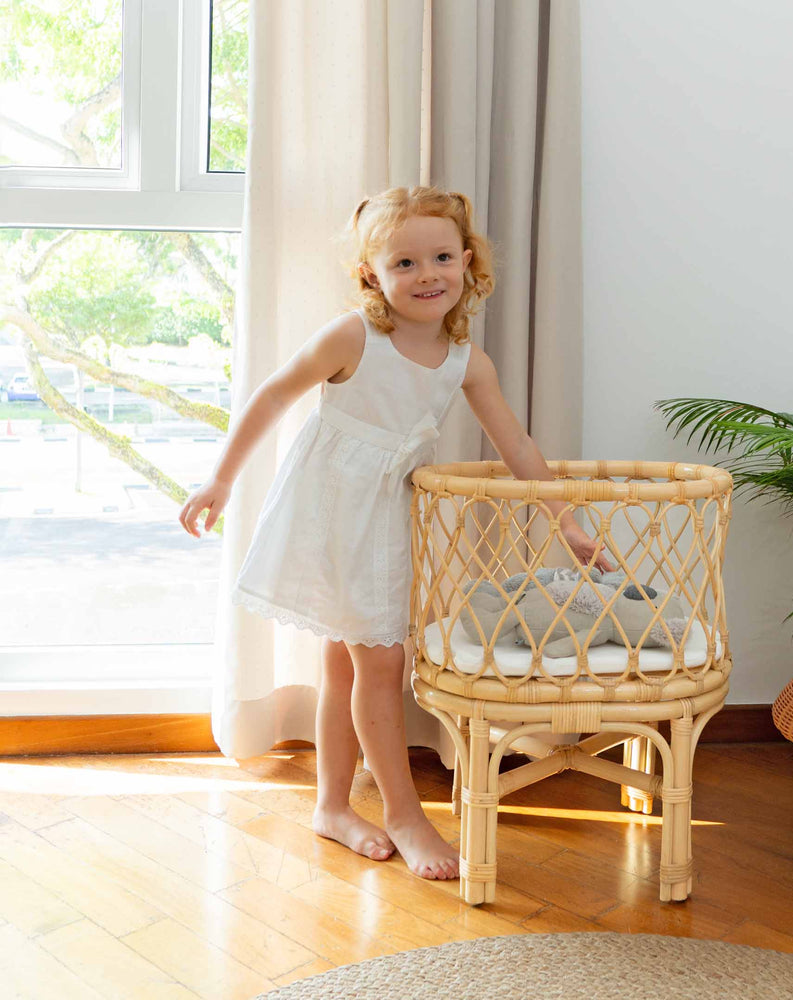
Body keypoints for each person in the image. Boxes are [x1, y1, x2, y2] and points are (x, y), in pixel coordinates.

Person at [179, 186, 611, 880]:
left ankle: (331, 806)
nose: (427, 274)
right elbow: (273, 394)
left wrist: (569, 521)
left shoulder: (466, 362)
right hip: (329, 512)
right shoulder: (354, 336)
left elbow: (518, 446)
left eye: (442, 257)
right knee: (377, 665)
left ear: (467, 263)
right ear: (370, 274)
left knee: (346, 663)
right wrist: (222, 480)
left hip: (384, 520)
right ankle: (404, 815)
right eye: (404, 262)